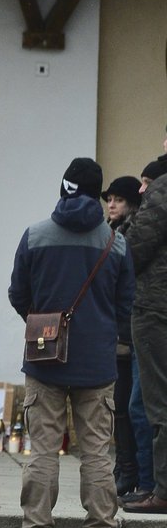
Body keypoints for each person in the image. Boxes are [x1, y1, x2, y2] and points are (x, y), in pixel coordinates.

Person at [7, 157, 133, 528]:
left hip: (44, 359)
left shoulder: (35, 235)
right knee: (96, 451)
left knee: (43, 448)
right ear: (98, 195)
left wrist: (41, 323)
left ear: (63, 189)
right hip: (97, 364)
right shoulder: (116, 243)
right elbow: (125, 305)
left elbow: (17, 293)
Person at [121, 157, 167, 514]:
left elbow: (135, 251)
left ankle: (159, 489)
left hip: (156, 308)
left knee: (154, 404)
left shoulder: (162, 191)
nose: (141, 189)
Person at [102, 176, 144, 499]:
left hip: (131, 334)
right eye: (109, 198)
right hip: (117, 334)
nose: (111, 204)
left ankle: (131, 470)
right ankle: (124, 466)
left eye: (118, 199)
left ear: (131, 203)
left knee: (130, 407)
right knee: (119, 407)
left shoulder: (130, 236)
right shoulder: (111, 234)